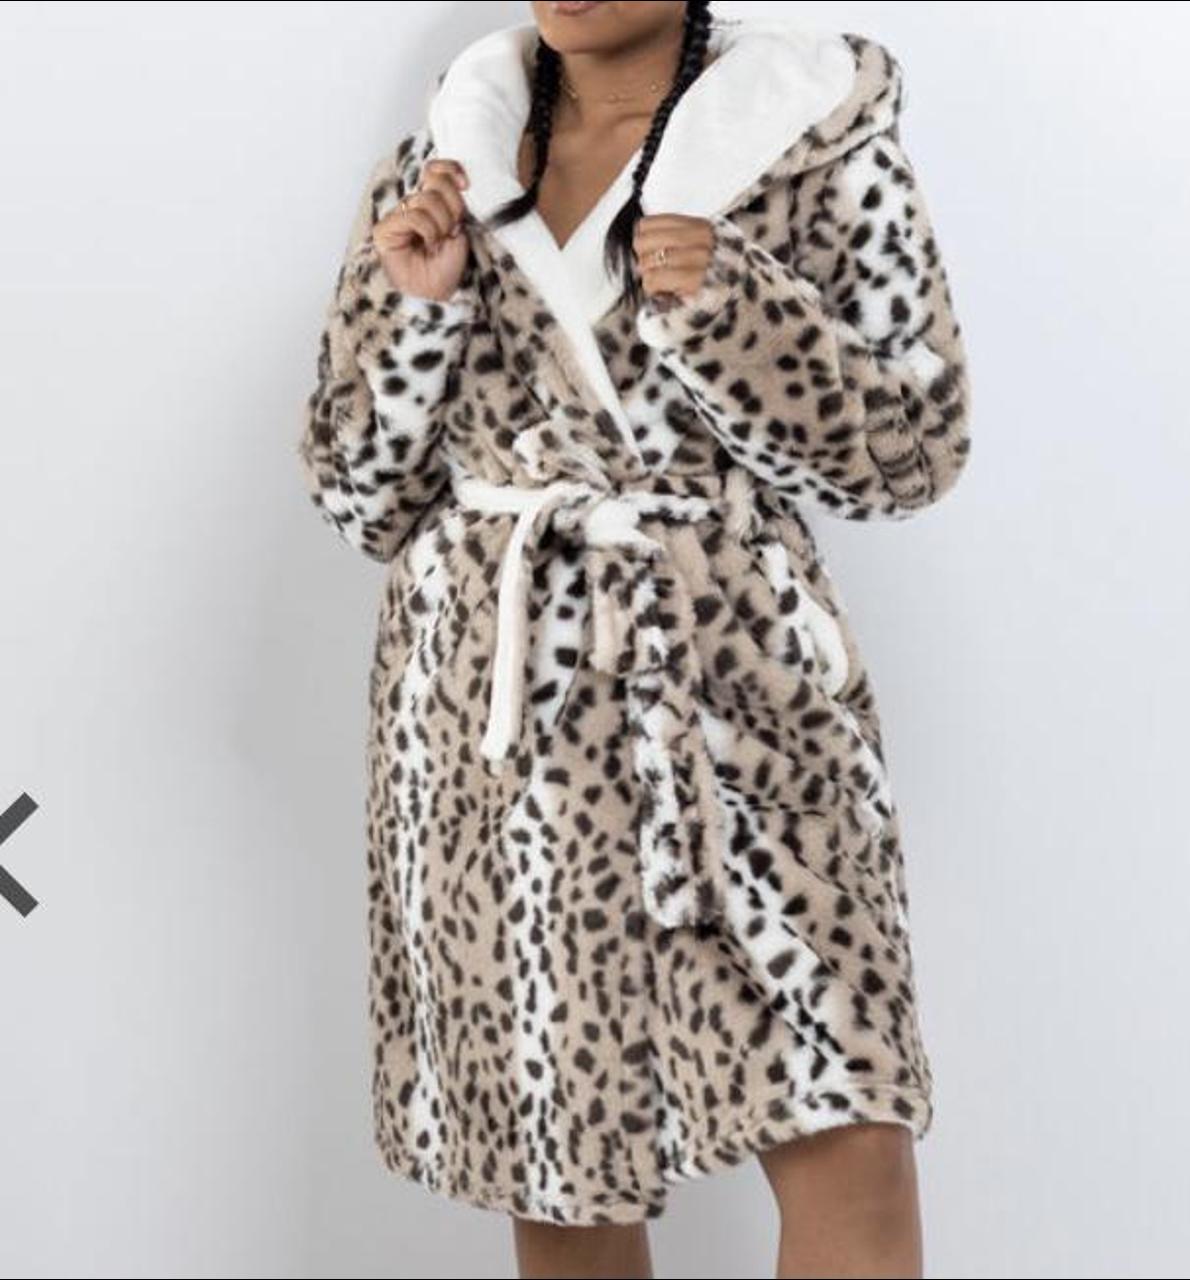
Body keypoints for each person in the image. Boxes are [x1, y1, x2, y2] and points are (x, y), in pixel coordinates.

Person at [296, 2, 972, 1276]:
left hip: (741, 706)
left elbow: (913, 452)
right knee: (565, 1178)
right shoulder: (444, 162)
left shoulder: (810, 137)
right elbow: (356, 495)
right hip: (505, 725)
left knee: (851, 1131)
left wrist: (735, 311)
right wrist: (417, 309)